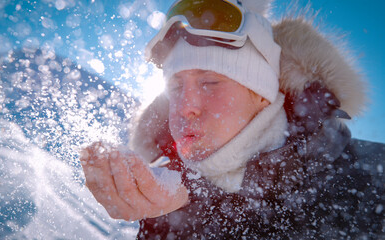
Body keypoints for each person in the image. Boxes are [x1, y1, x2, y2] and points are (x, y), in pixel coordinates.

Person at [81, 0, 384, 239]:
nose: (185, 107)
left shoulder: (372, 181)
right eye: (175, 87)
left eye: (210, 82)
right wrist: (178, 213)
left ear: (262, 94)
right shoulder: (164, 189)